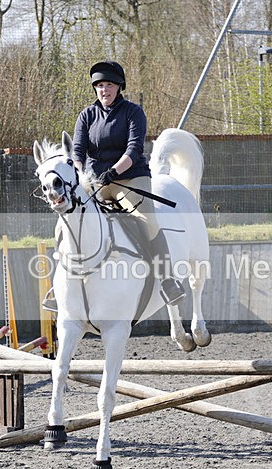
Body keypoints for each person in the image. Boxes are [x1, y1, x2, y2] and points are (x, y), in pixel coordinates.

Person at [71, 60, 185, 305]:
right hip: (96, 182)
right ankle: (65, 284)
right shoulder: (87, 115)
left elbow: (134, 149)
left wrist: (114, 170)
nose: (104, 90)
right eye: (99, 85)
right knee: (73, 218)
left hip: (130, 178)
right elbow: (78, 151)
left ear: (119, 87)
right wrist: (80, 175)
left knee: (147, 220)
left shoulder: (133, 112)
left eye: (109, 85)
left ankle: (168, 280)